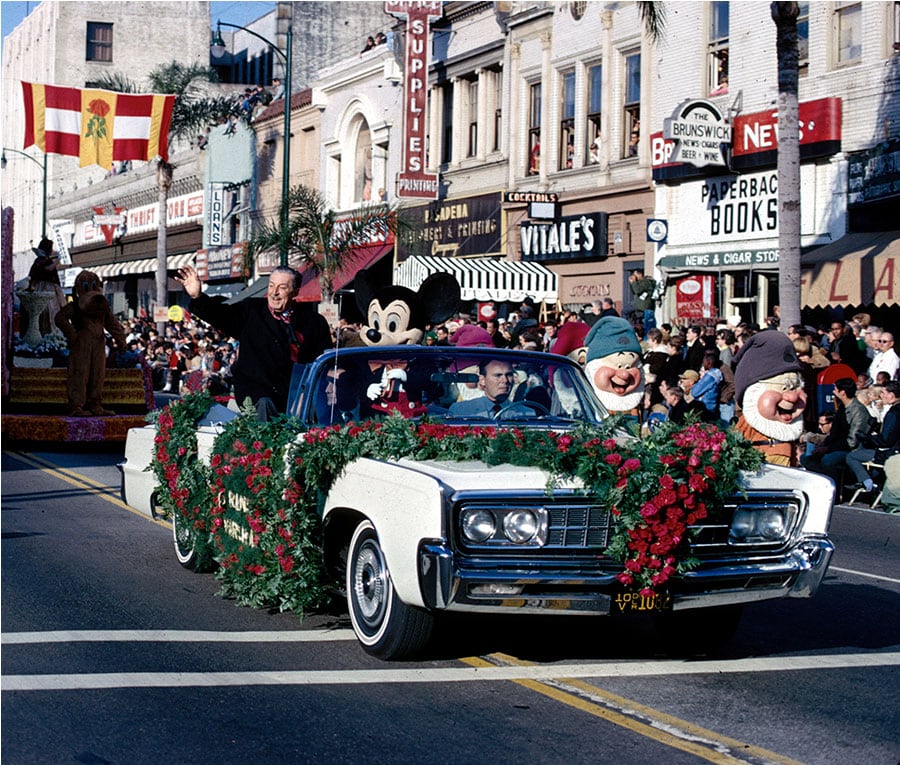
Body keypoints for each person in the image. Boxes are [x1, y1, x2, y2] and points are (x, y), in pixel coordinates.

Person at [175, 265, 331, 421]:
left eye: (282, 288)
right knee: (264, 406)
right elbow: (221, 315)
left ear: (295, 291)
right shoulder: (251, 310)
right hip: (257, 394)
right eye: (271, 286)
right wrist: (198, 296)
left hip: (296, 397)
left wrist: (308, 391)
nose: (274, 293)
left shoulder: (313, 322)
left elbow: (324, 363)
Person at [801, 377, 872, 481]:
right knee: (806, 458)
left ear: (842, 392)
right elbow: (834, 433)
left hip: (852, 450)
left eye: (835, 389)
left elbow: (852, 442)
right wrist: (823, 445)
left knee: (827, 460)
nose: (833, 392)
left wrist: (828, 449)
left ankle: (835, 484)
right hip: (837, 446)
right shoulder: (842, 408)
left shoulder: (858, 412)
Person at [845, 381, 900, 493]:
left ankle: (867, 484)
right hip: (895, 451)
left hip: (891, 454)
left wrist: (866, 437)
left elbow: (885, 441)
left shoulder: (894, 413)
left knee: (852, 456)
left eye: (884, 393)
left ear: (892, 395)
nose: (881, 396)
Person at [448, 359, 532, 418]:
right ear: (482, 380)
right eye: (497, 375)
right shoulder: (461, 411)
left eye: (509, 375)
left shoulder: (527, 414)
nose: (505, 380)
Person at [628, 269, 657, 335]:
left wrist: (634, 282)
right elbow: (634, 291)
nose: (634, 277)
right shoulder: (638, 282)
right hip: (639, 307)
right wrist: (631, 283)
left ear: (640, 274)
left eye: (635, 275)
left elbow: (638, 290)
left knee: (647, 326)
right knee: (625, 311)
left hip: (645, 307)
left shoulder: (645, 282)